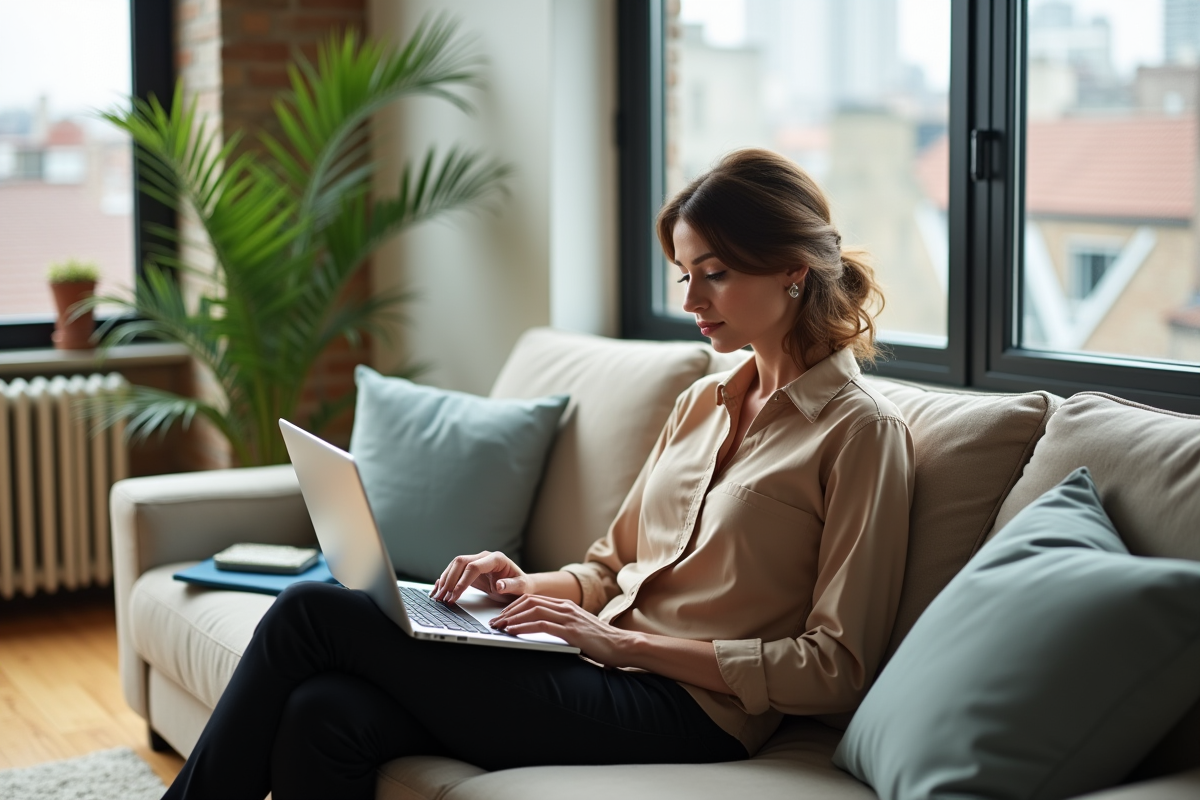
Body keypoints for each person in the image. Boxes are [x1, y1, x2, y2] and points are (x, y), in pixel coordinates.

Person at [162, 148, 915, 800]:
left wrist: (623, 647)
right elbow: (610, 569)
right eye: (685, 275)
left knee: (313, 610)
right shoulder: (701, 402)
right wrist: (524, 585)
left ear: (793, 270)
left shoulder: (860, 434)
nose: (690, 300)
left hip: (692, 712)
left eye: (713, 274)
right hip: (598, 664)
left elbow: (835, 667)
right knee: (323, 713)